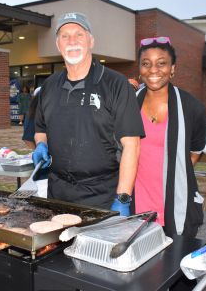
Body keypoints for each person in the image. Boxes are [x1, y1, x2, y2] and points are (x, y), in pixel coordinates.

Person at [33, 12, 145, 215]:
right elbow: (40, 128)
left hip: (102, 195)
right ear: (58, 44)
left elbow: (132, 145)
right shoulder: (49, 86)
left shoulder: (116, 84)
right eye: (65, 36)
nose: (72, 41)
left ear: (91, 40)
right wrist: (41, 144)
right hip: (57, 194)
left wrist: (123, 198)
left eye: (79, 34)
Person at [134, 37, 206, 290]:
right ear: (140, 69)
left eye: (161, 63)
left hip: (177, 210)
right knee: (139, 277)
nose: (153, 70)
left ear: (173, 68)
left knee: (176, 276)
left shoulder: (192, 107)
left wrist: (173, 175)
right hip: (137, 210)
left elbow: (194, 153)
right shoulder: (128, 104)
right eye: (146, 64)